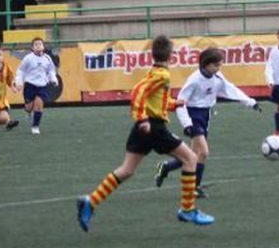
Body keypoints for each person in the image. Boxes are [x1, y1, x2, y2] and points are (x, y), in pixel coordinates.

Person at [77, 35, 213, 232]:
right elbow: (138, 92)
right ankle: (188, 209)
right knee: (191, 159)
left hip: (145, 128)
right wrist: (142, 119)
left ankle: (90, 201)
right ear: (171, 55)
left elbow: (153, 100)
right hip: (154, 127)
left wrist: (174, 104)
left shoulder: (154, 72)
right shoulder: (163, 75)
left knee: (127, 170)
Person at [154, 47, 261, 195]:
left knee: (191, 155)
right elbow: (180, 103)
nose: (218, 68)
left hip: (206, 116)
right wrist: (187, 124)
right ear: (206, 64)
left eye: (220, 65)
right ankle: (194, 188)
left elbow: (230, 89)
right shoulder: (194, 80)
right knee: (203, 152)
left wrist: (250, 102)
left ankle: (166, 167)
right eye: (216, 65)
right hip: (193, 116)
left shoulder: (217, 77)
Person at [14, 36, 58, 135]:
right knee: (28, 107)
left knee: (39, 104)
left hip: (42, 85)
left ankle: (35, 126)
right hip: (30, 85)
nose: (38, 46)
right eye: (36, 44)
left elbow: (51, 70)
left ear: (43, 47)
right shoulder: (28, 58)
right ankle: (29, 112)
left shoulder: (47, 58)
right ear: (32, 48)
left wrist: (53, 79)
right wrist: (19, 81)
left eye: (40, 44)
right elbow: (20, 71)